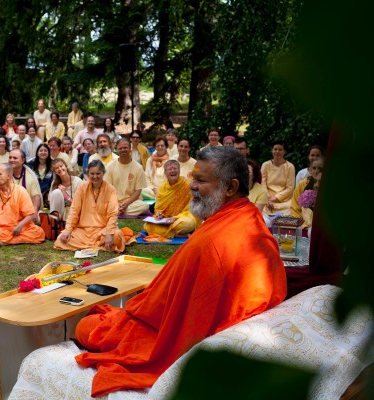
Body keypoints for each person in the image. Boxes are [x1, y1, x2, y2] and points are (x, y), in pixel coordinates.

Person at [74, 147, 287, 397]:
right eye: (192, 178)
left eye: (200, 180)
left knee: (84, 327)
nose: (192, 186)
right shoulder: (250, 218)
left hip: (165, 333)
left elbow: (166, 312)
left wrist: (136, 309)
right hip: (228, 326)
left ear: (230, 188)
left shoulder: (212, 243)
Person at [54, 160, 125, 252]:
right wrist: (68, 230)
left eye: (98, 173)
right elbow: (74, 210)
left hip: (102, 230)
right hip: (83, 231)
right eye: (92, 174)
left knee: (117, 235)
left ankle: (93, 245)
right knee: (60, 239)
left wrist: (108, 234)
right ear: (88, 174)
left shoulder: (110, 189)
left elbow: (113, 214)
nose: (95, 177)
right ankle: (99, 246)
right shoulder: (82, 187)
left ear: (103, 173)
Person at [0, 163, 45, 250]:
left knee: (39, 233)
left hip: (20, 227)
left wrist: (19, 226)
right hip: (0, 228)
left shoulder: (20, 191)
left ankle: (4, 242)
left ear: (8, 176)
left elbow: (30, 214)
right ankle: (9, 240)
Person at [143, 159, 198, 237]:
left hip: (182, 218)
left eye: (175, 168)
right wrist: (159, 215)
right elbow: (158, 207)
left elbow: (192, 208)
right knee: (147, 226)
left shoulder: (187, 185)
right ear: (165, 173)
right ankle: (177, 234)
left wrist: (175, 218)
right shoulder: (162, 187)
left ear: (179, 171)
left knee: (188, 224)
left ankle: (168, 232)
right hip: (166, 219)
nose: (173, 170)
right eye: (170, 169)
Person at [105, 139, 149, 216]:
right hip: (114, 200)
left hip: (132, 202)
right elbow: (108, 189)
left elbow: (138, 191)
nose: (123, 150)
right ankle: (118, 210)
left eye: (125, 148)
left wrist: (125, 204)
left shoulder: (138, 167)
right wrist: (116, 203)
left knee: (144, 206)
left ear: (130, 149)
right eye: (120, 148)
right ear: (117, 150)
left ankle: (116, 211)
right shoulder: (110, 166)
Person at [261, 140, 295, 215]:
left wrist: (276, 198)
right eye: (275, 149)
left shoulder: (290, 167)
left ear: (284, 151)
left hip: (284, 200)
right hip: (267, 198)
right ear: (272, 150)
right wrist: (267, 199)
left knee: (290, 209)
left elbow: (290, 188)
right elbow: (262, 184)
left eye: (280, 149)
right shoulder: (265, 165)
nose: (277, 151)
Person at [290, 156, 324, 228]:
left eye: (320, 169)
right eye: (314, 168)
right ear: (310, 170)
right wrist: (302, 224)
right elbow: (295, 207)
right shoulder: (302, 184)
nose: (316, 171)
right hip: (303, 225)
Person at [9, 149, 42, 213]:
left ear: (23, 160)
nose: (12, 160)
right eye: (10, 157)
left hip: (26, 210)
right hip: (7, 209)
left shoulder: (30, 176)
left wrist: (34, 209)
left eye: (15, 158)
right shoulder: (4, 172)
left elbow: (36, 196)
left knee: (39, 215)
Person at [28, 144, 54, 208]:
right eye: (41, 150)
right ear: (37, 153)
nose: (43, 152)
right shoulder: (30, 164)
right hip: (34, 191)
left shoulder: (53, 164)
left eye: (45, 151)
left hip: (48, 192)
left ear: (48, 153)